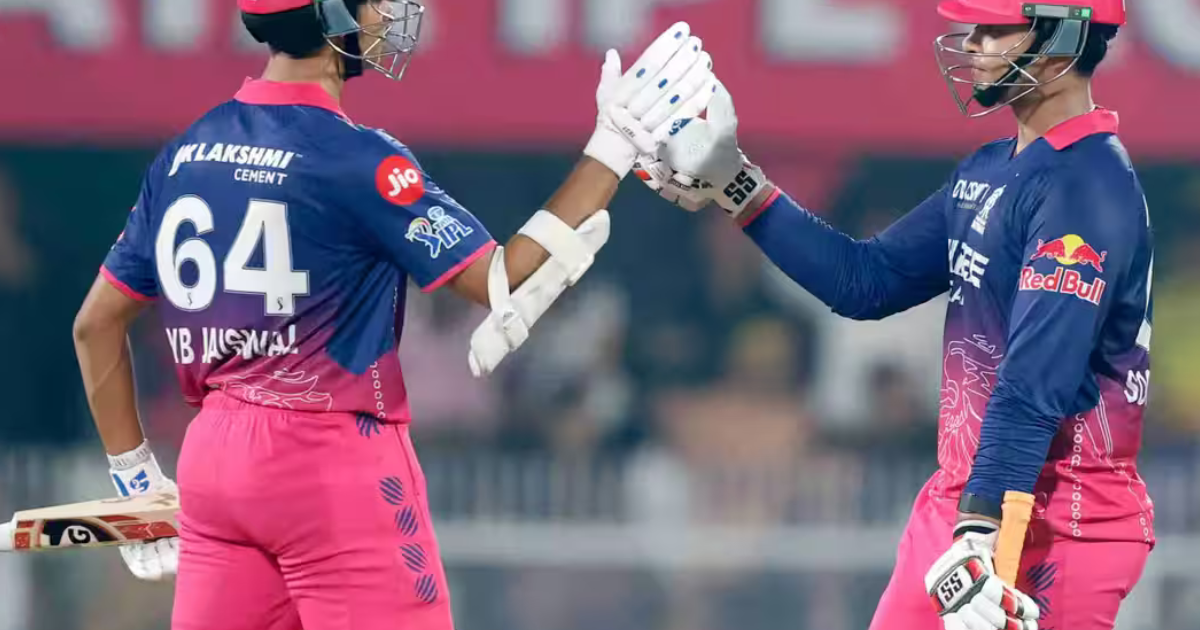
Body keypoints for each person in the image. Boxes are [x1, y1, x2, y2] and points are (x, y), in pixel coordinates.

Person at [70, 1, 716, 627]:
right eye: (375, 0)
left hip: (213, 461)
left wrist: (135, 481)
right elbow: (500, 279)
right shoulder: (357, 158)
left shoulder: (186, 152)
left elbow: (95, 325)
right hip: (329, 464)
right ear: (331, 15)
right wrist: (613, 147)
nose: (390, 13)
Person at [636, 1, 1153, 629]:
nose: (973, 42)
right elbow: (866, 281)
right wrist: (737, 184)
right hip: (965, 502)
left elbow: (1034, 379)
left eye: (995, 29)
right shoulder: (991, 169)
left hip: (1059, 519)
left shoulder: (1088, 185)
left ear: (1063, 38)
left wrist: (978, 530)